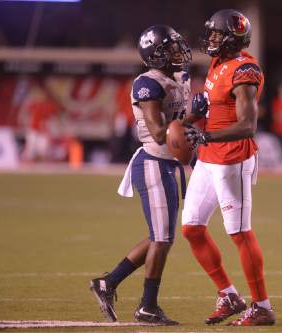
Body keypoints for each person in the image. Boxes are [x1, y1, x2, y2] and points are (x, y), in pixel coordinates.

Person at [89, 24, 191, 324]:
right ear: (155, 56)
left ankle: (107, 283)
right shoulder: (147, 83)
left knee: (163, 237)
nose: (177, 53)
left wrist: (197, 115)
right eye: (169, 49)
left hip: (168, 165)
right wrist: (190, 131)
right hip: (152, 163)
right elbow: (161, 133)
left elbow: (182, 122)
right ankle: (147, 306)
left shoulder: (180, 78)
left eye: (176, 47)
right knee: (162, 237)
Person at [181, 9, 275, 326]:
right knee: (192, 227)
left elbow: (247, 125)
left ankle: (262, 306)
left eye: (217, 34)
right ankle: (229, 294)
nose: (211, 39)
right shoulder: (219, 62)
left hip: (232, 157)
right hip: (209, 156)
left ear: (232, 38)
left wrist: (207, 133)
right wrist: (196, 117)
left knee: (239, 233)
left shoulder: (244, 70)